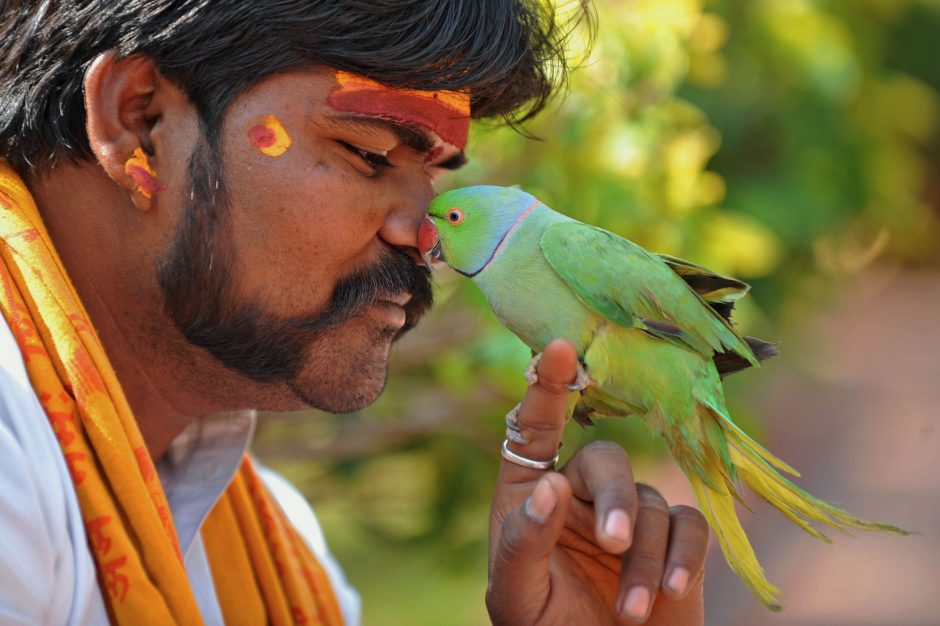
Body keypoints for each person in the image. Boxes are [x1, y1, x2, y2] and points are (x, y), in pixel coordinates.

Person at [0, 1, 709, 624]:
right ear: (138, 119)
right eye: (367, 155)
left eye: (431, 177)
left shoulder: (284, 555)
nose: (418, 227)